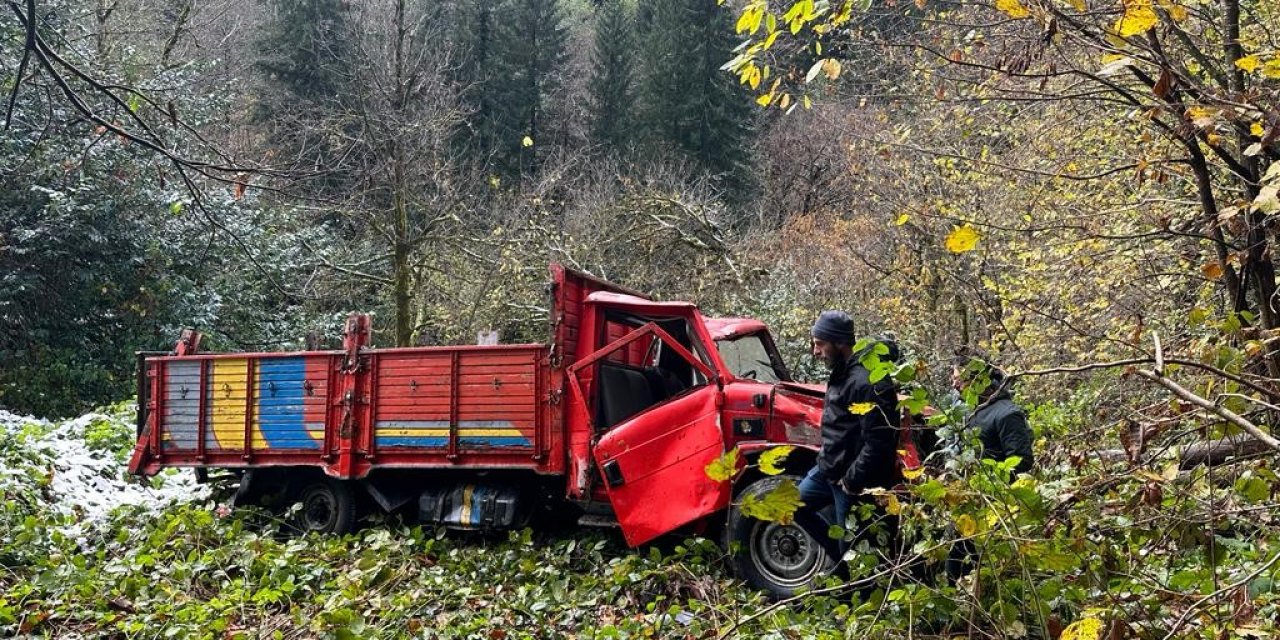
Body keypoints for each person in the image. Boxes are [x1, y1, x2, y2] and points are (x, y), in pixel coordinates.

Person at [793, 310, 902, 568]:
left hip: (851, 483)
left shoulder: (867, 382)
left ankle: (855, 585)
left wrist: (852, 480)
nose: (815, 351)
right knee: (793, 505)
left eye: (819, 344)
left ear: (839, 343)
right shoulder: (842, 372)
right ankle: (841, 564)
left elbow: (880, 442)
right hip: (827, 471)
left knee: (857, 556)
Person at [946, 355, 1034, 581]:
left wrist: (990, 482)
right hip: (968, 501)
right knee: (957, 565)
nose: (956, 384)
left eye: (960, 380)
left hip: (995, 506)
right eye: (955, 379)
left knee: (982, 567)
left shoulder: (1007, 413)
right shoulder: (968, 411)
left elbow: (1022, 460)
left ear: (979, 380)